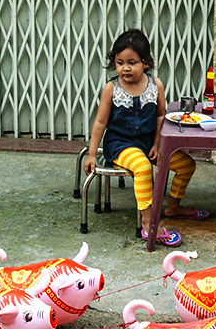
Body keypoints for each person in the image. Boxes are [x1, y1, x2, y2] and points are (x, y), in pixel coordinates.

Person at [84, 29, 208, 247]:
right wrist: (92, 154)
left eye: (132, 62)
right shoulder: (111, 89)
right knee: (142, 167)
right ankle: (148, 221)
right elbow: (100, 123)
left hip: (149, 144)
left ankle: (174, 207)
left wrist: (158, 144)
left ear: (146, 63)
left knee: (186, 165)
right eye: (120, 62)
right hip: (121, 146)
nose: (125, 68)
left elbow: (161, 116)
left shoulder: (155, 85)